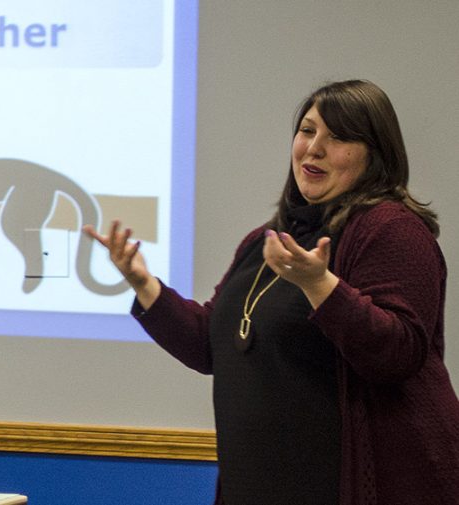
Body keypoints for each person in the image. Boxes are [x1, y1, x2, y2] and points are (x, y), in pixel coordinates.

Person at [84, 79, 459, 505]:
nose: (314, 148)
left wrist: (320, 286)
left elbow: (399, 353)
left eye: (337, 137)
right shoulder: (265, 241)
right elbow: (215, 345)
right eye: (307, 130)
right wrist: (144, 284)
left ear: (375, 153)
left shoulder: (392, 229)